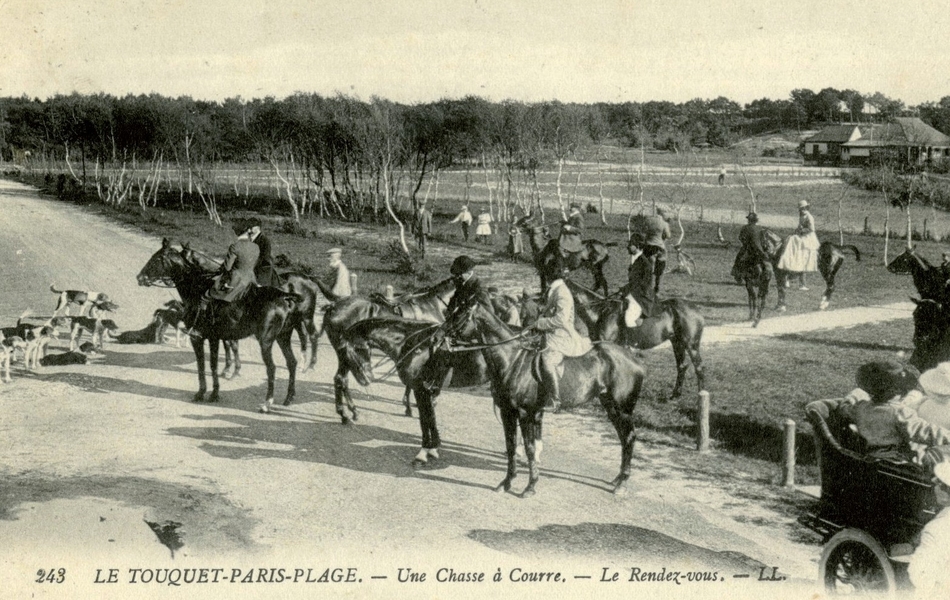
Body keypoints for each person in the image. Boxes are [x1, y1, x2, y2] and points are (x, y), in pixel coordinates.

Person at [818, 361, 950, 463]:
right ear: (898, 391)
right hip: (899, 459)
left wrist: (854, 395)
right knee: (936, 458)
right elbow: (924, 431)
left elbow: (844, 408)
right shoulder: (900, 412)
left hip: (873, 455)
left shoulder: (860, 407)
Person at [531, 261, 592, 413]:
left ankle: (555, 399)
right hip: (552, 332)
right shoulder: (555, 289)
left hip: (562, 334)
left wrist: (541, 322)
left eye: (543, 274)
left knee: (547, 359)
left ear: (549, 275)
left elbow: (561, 320)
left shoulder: (562, 292)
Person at [904, 461, 950, 595]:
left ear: (946, 492)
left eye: (940, 483)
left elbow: (918, 572)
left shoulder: (936, 528)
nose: (935, 485)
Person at [777, 200, 820, 290]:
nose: (802, 210)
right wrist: (797, 231)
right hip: (801, 236)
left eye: (804, 208)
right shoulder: (801, 215)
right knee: (793, 249)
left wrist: (802, 230)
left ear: (807, 208)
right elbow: (799, 226)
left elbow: (811, 229)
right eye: (801, 209)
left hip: (808, 239)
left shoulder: (809, 217)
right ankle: (788, 279)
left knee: (803, 259)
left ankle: (800, 283)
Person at [621, 238, 658, 326]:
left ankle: (634, 329)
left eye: (630, 245)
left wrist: (629, 288)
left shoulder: (645, 262)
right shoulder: (636, 259)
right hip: (635, 289)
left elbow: (644, 282)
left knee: (629, 315)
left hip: (642, 293)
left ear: (637, 246)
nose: (628, 247)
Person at [731, 212, 772, 284]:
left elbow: (741, 238)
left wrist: (746, 244)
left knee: (739, 259)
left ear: (749, 220)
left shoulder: (745, 228)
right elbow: (763, 240)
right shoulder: (760, 228)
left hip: (749, 249)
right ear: (756, 220)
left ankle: (738, 275)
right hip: (760, 250)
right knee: (766, 261)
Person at [638, 208, 671, 296]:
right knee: (660, 268)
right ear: (662, 214)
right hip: (660, 247)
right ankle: (657, 287)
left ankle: (645, 287)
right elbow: (668, 235)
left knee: (645, 267)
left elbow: (642, 231)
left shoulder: (648, 220)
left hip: (648, 246)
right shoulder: (664, 223)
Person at [248, 217, 278, 287]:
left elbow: (265, 257)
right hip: (251, 267)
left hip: (262, 268)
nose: (248, 229)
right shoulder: (249, 239)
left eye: (251, 226)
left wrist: (251, 265)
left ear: (257, 228)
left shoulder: (264, 240)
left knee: (258, 287)